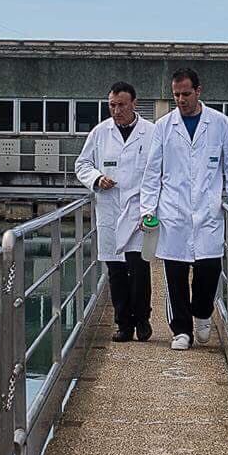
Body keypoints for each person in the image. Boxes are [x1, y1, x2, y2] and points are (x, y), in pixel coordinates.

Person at [138, 65, 228, 350]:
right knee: (174, 276)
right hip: (173, 213)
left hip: (207, 212)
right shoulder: (164, 126)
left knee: (208, 272)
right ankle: (181, 330)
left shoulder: (219, 123)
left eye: (186, 93)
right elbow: (152, 173)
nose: (181, 100)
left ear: (198, 91)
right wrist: (147, 210)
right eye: (176, 95)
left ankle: (202, 314)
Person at [74, 81, 156, 342]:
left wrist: (153, 208)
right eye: (112, 105)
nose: (116, 110)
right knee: (116, 272)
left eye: (121, 104)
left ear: (134, 103)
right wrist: (97, 179)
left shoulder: (151, 133)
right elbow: (82, 164)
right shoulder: (100, 133)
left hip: (139, 212)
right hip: (110, 210)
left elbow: (160, 170)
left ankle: (143, 320)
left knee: (140, 270)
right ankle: (123, 324)